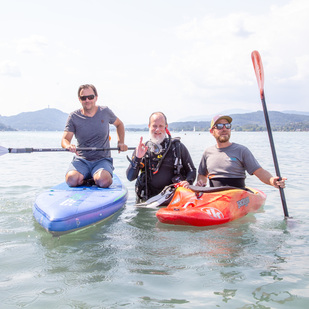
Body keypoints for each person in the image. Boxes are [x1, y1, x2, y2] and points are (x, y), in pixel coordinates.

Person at [61, 84, 128, 188]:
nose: (87, 100)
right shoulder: (73, 116)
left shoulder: (105, 112)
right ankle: (87, 178)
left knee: (103, 181)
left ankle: (96, 177)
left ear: (96, 98)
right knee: (71, 180)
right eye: (83, 98)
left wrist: (121, 142)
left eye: (90, 97)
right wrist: (68, 146)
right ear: (79, 99)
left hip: (102, 159)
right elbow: (65, 139)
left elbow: (119, 124)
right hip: (82, 160)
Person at [197, 114, 286, 189]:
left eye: (227, 126)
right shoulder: (208, 152)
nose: (224, 129)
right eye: (220, 126)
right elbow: (202, 175)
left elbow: (259, 171)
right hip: (216, 197)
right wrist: (201, 183)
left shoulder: (241, 150)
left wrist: (272, 181)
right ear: (212, 131)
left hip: (237, 196)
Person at [126, 112, 196, 202]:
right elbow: (130, 177)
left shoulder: (177, 147)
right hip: (147, 200)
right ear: (149, 126)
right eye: (154, 126)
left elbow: (192, 170)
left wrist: (188, 182)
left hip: (173, 199)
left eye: (161, 126)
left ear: (166, 127)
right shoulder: (142, 149)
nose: (157, 129)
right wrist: (137, 158)